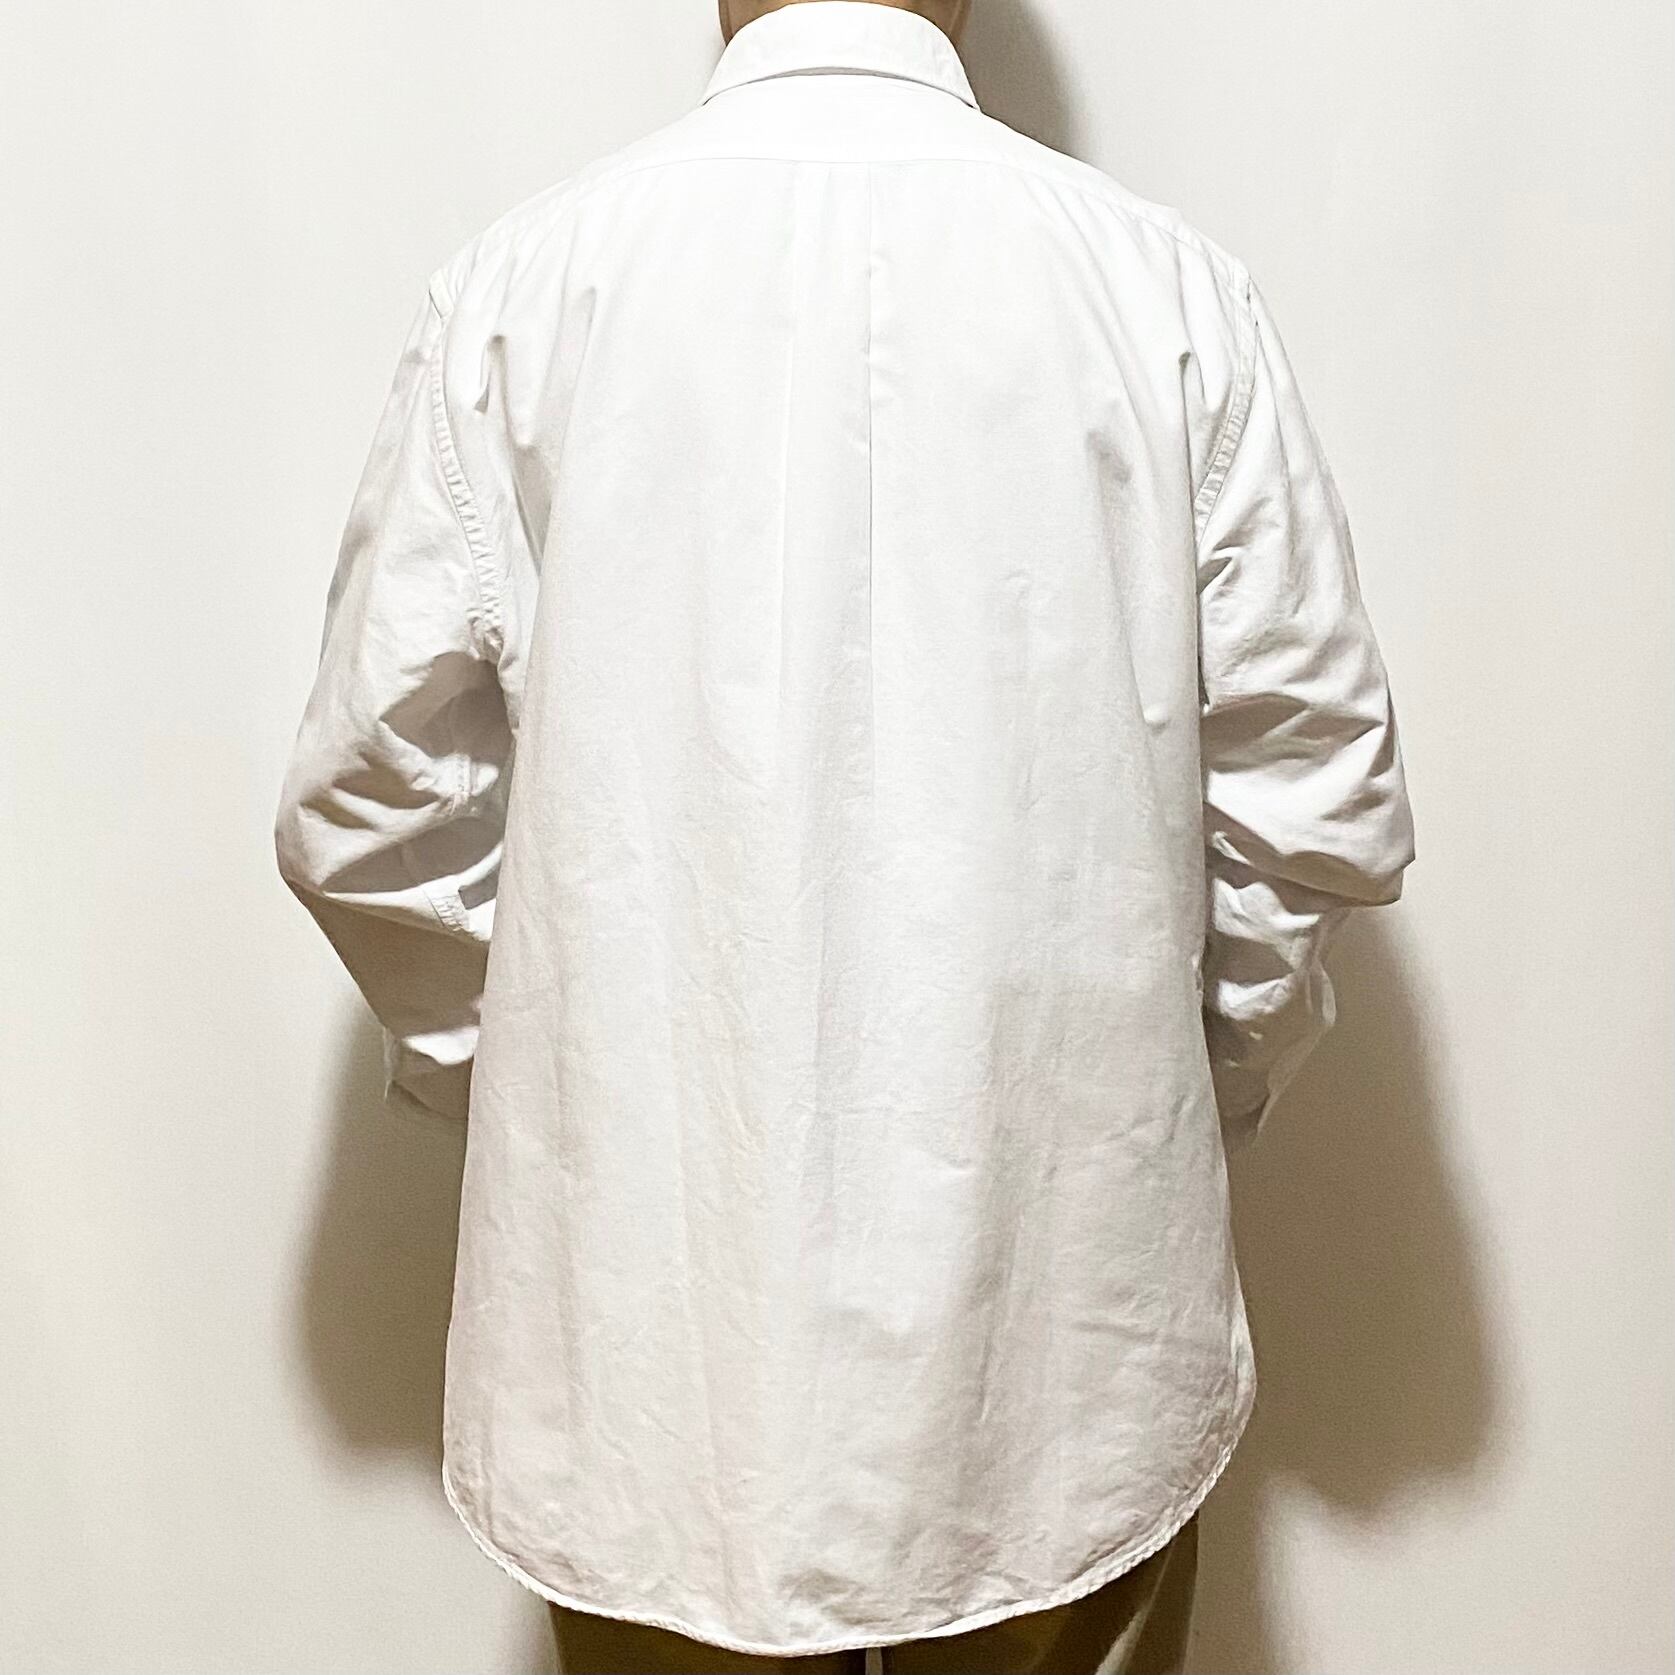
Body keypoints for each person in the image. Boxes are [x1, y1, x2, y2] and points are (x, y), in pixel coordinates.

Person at [272, 1, 1417, 1669]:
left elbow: (375, 808)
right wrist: (1162, 1105)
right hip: (1066, 1355)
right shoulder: (1164, 294)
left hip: (653, 1370)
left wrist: (560, 1103)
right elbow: (1315, 792)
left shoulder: (520, 297)